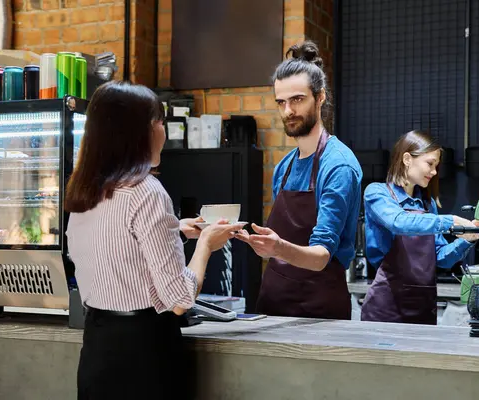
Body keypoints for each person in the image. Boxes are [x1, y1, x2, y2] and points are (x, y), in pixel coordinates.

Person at [65, 81, 245, 399]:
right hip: (143, 356)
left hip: (97, 349)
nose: (164, 130)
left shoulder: (85, 191)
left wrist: (173, 230)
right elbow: (178, 301)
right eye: (160, 121)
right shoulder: (146, 191)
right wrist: (205, 246)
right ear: (145, 130)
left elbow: (116, 246)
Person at [237, 41, 363, 320]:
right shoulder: (284, 167)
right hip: (273, 304)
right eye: (281, 102)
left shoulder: (338, 165)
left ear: (320, 98)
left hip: (319, 311)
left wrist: (278, 248)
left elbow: (320, 256)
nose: (287, 111)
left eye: (297, 99)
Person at [360, 130, 479, 325]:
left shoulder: (427, 204)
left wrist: (466, 239)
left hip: (423, 308)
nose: (434, 172)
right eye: (430, 163)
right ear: (407, 159)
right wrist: (451, 221)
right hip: (386, 309)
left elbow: (441, 257)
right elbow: (399, 223)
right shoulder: (377, 193)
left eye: (436, 166)